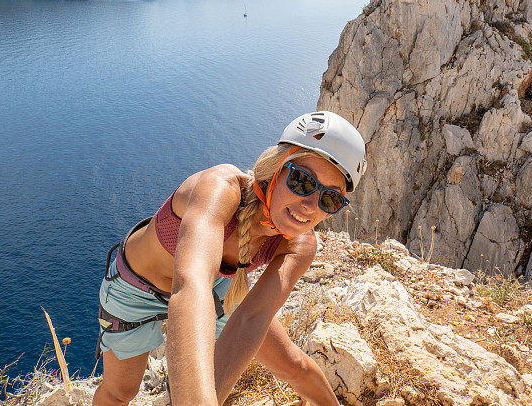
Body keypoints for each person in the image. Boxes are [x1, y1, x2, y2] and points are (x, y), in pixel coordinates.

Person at [93, 111, 367, 406]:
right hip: (136, 288)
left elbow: (251, 320)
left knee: (293, 364)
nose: (310, 206)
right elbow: (191, 287)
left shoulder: (300, 245)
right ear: (276, 167)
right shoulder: (221, 189)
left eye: (330, 199)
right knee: (120, 393)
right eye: (302, 181)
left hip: (220, 287)